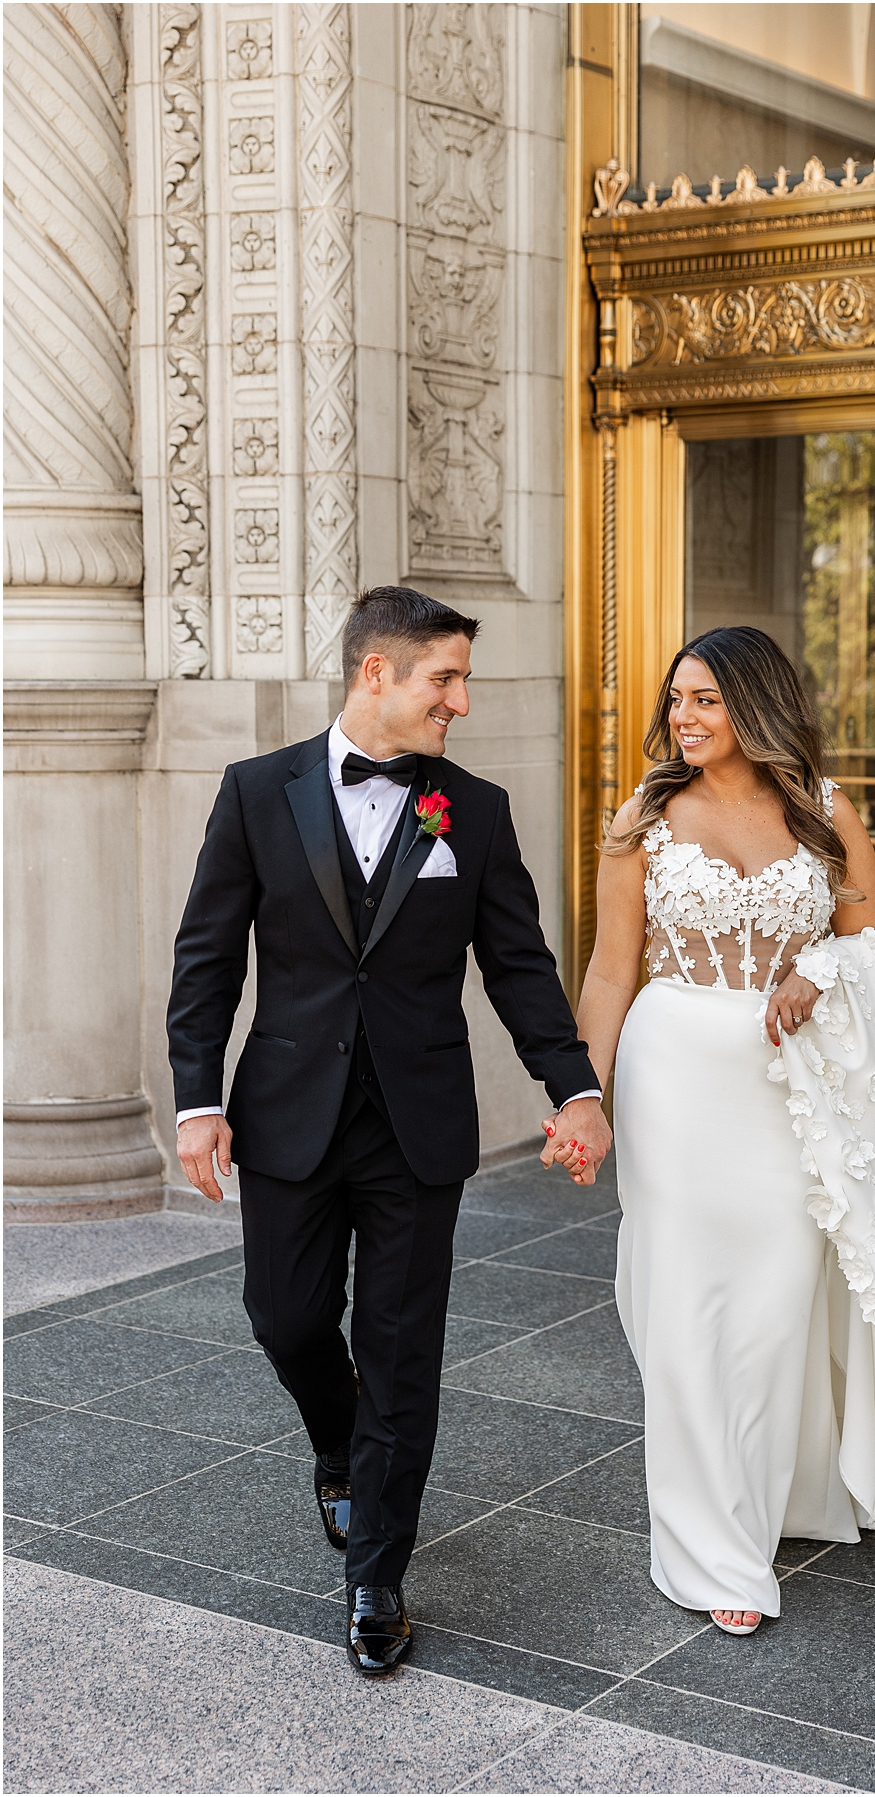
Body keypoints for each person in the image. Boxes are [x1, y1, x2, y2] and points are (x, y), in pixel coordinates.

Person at [168, 587, 611, 1675]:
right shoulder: (255, 793)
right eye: (443, 679)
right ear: (377, 673)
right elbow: (208, 958)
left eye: (462, 681)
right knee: (285, 1317)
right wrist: (197, 1099)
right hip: (286, 1115)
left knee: (403, 1353)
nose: (459, 702)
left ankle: (376, 1572)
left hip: (417, 1125)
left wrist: (575, 1087)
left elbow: (517, 966)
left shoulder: (476, 810)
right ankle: (338, 1442)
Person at [548, 626, 875, 1634]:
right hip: (674, 1075)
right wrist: (582, 1098)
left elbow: (869, 941)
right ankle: (713, 1552)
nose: (684, 717)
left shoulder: (825, 810)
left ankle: (783, 1495)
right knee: (687, 1312)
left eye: (707, 699)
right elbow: (607, 971)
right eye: (678, 698)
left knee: (769, 1311)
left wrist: (818, 971)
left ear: (757, 705)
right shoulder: (643, 817)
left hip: (784, 1086)